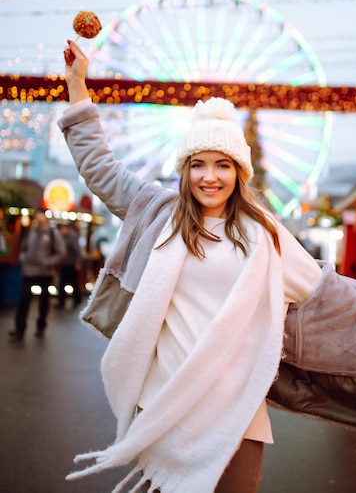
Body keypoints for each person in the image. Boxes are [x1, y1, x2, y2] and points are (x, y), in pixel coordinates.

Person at [60, 39, 324, 493]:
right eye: (198, 164)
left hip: (236, 412)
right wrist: (77, 85)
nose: (209, 176)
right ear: (184, 169)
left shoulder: (267, 236)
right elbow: (99, 168)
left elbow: (322, 295)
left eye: (223, 165)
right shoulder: (158, 213)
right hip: (164, 404)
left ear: (239, 172)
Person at [8, 208, 66, 342]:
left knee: (43, 301)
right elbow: (23, 248)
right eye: (37, 215)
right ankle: (19, 329)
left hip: (45, 273)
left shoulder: (52, 233)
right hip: (28, 271)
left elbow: (61, 253)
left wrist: (48, 262)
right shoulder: (31, 232)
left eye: (40, 214)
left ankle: (41, 326)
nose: (38, 217)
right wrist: (24, 258)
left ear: (45, 217)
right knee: (23, 300)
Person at [56, 222, 83, 308]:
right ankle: (62, 301)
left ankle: (77, 299)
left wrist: (78, 262)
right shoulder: (63, 237)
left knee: (73, 283)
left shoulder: (72, 237)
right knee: (63, 283)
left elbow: (77, 251)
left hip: (71, 264)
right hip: (65, 264)